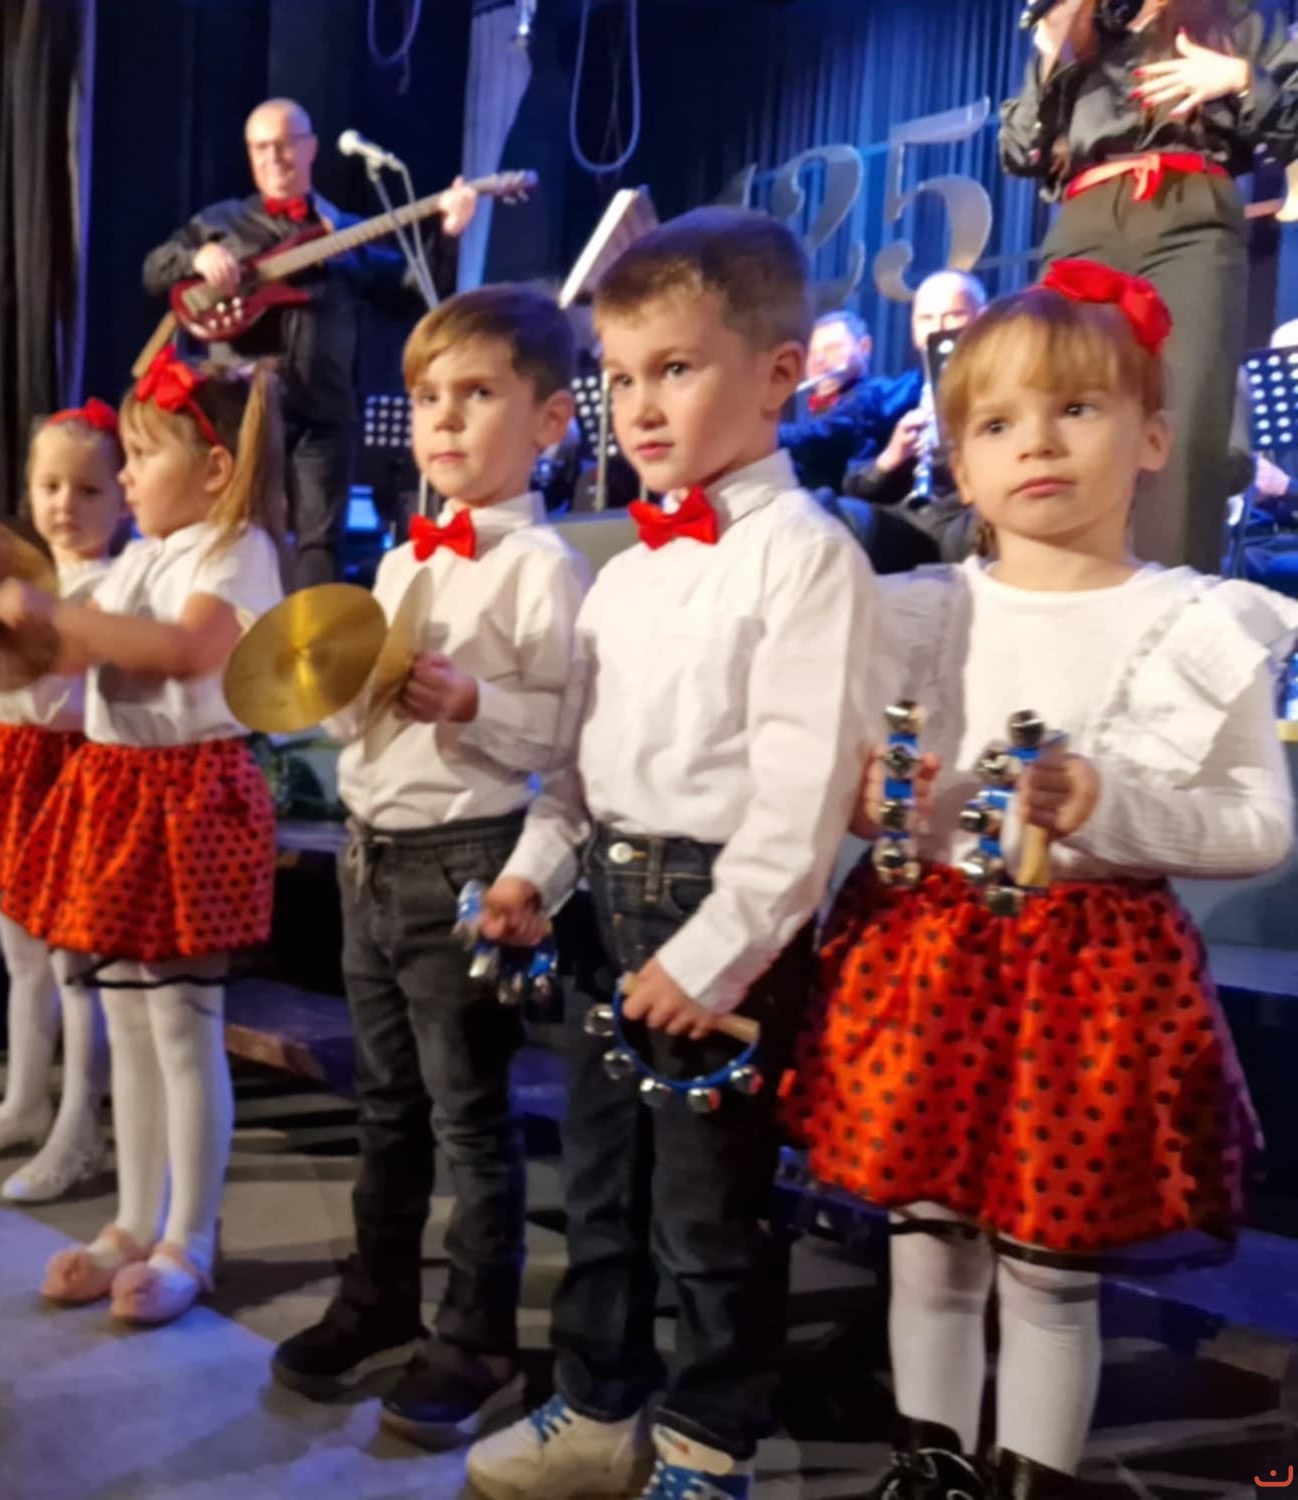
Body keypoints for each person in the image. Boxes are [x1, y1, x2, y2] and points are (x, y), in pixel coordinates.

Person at [784, 263, 1292, 1500]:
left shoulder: (1197, 621)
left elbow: (1256, 826)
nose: (1038, 444)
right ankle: (930, 1462)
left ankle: (1033, 1478)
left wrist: (1106, 804)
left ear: (1151, 437)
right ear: (958, 465)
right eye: (998, 423)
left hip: (1091, 978)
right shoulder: (912, 610)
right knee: (926, 1247)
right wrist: (867, 801)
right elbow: (854, 788)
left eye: (1076, 409)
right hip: (922, 959)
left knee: (1048, 1269)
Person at [462, 208, 878, 1500]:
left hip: (719, 918)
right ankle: (597, 1408)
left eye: (677, 369)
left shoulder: (806, 558)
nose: (639, 406)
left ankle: (705, 1445)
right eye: (622, 376)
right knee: (600, 1192)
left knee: (709, 1216)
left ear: (777, 373)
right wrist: (534, 875)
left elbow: (802, 806)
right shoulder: (627, 569)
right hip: (608, 904)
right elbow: (580, 775)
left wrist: (712, 958)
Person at [267, 285, 593, 1445]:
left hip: (465, 859)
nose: (442, 420)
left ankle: (477, 1335)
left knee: (469, 1118)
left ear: (547, 420)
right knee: (385, 1105)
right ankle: (379, 1299)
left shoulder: (541, 567)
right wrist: (334, 693)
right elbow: (359, 727)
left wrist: (474, 703)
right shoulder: (404, 556)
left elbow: (567, 741)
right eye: (424, 398)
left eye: (475, 394)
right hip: (371, 857)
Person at [0, 352, 285, 1328]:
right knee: (125, 1020)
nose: (122, 476)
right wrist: (18, 629)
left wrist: (59, 617)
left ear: (213, 468)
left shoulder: (234, 547)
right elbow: (78, 653)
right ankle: (129, 1222)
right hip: (117, 788)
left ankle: (188, 1239)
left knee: (183, 1027)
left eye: (142, 455)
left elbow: (185, 652)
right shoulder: (138, 559)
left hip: (188, 795)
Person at [1001, 0, 1298, 572]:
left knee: (1182, 427)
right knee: (1055, 407)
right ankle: (1052, 586)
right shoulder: (1081, 28)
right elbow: (1018, 151)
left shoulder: (1236, 17)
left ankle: (1173, 603)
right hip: (1086, 220)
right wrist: (1052, 53)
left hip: (1190, 215)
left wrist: (1241, 78)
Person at [140, 97, 480, 588]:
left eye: (285, 145)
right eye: (261, 148)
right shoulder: (221, 222)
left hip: (324, 410)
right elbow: (154, 270)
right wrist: (197, 258)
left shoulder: (345, 230)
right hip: (245, 411)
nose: (274, 158)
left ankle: (308, 633)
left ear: (311, 149)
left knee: (319, 543)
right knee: (239, 531)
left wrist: (448, 233)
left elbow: (409, 295)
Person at [0, 400, 128, 1204]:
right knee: (22, 957)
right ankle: (23, 1101)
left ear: (123, 497)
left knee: (75, 963)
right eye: (50, 486)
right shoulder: (13, 582)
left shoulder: (110, 585)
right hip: (2, 762)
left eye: (88, 489)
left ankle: (80, 1124)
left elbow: (61, 689)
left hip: (65, 771)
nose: (65, 505)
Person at [839, 271, 990, 563]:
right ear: (913, 330)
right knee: (832, 515)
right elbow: (853, 485)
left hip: (965, 519)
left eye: (953, 315)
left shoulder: (1002, 385)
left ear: (981, 319)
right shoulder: (892, 396)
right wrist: (891, 457)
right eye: (926, 319)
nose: (938, 328)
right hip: (904, 521)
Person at [778, 308, 917, 493]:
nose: (819, 359)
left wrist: (761, 433)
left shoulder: (874, 395)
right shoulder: (813, 410)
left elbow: (826, 435)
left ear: (865, 347)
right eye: (811, 352)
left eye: (832, 348)